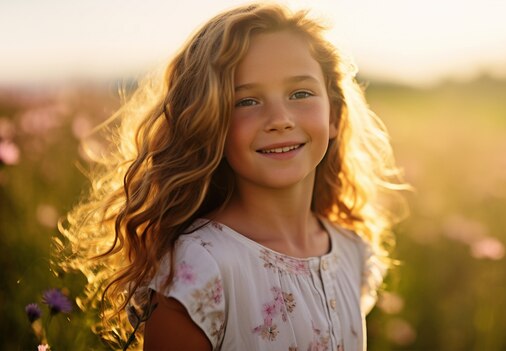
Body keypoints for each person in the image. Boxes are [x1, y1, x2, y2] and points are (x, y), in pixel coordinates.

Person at [59, 2, 408, 350]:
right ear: (210, 124)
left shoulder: (351, 251)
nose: (280, 118)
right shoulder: (199, 269)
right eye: (246, 101)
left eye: (300, 93)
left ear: (334, 116)